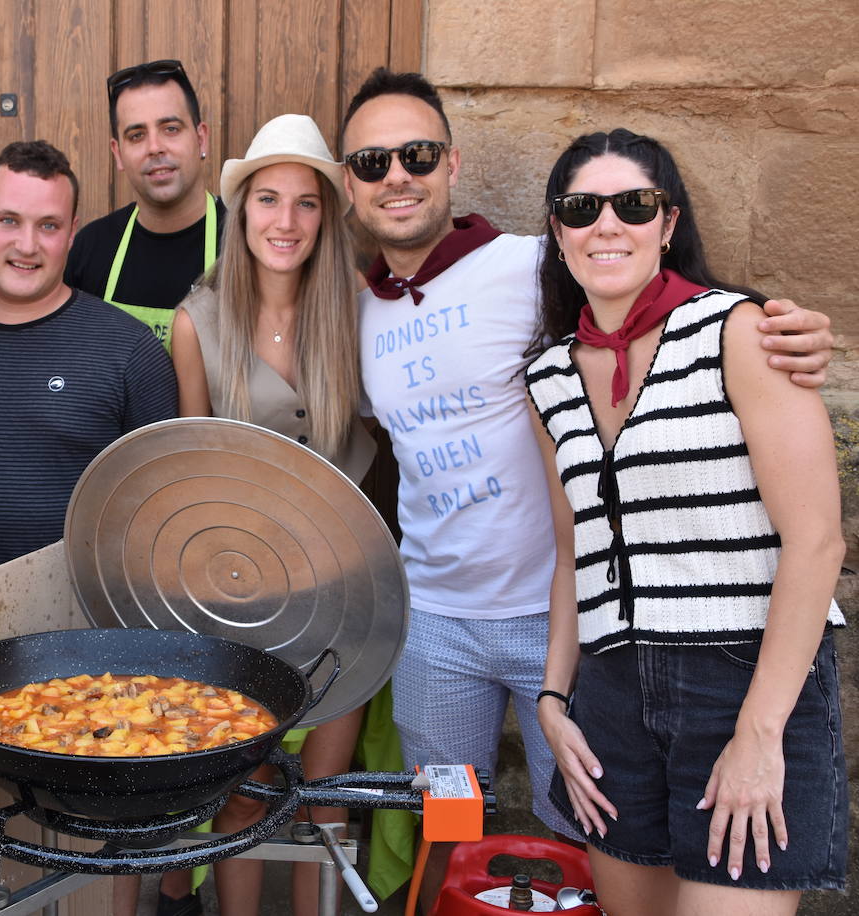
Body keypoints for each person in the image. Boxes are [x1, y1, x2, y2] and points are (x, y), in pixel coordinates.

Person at [339, 69, 837, 906]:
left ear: (452, 165)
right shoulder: (361, 315)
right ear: (350, 184)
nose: (397, 173)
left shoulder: (535, 264)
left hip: (560, 619)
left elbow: (811, 530)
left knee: (573, 838)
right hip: (446, 626)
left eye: (417, 153)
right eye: (372, 159)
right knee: (449, 817)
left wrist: (796, 333)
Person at [525, 128, 846, 915]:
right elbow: (576, 554)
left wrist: (760, 733)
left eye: (633, 205)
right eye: (581, 207)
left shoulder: (742, 331)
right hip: (610, 698)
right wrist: (552, 700)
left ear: (668, 224)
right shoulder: (549, 378)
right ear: (559, 232)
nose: (607, 225)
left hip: (740, 683)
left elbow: (817, 542)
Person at [170, 113, 375, 916]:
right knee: (243, 798)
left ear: (327, 215)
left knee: (328, 799)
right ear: (241, 211)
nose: (284, 222)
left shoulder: (358, 310)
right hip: (240, 591)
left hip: (346, 585)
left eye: (305, 203)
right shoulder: (199, 324)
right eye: (266, 200)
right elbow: (191, 478)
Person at [0, 140, 177, 585]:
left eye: (48, 225)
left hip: (83, 627)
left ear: (71, 232)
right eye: (9, 220)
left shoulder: (129, 351)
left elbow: (165, 507)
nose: (26, 245)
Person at [0, 59, 223, 347]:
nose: (155, 147)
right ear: (118, 153)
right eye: (136, 135)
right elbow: (24, 310)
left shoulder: (243, 241)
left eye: (170, 129)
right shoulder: (91, 247)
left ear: (201, 139)